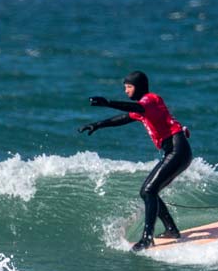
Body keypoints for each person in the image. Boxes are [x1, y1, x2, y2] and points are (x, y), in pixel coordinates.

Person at [78, 70, 192, 250]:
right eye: (125, 88)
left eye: (129, 87)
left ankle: (147, 239)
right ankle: (171, 230)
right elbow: (125, 118)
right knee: (148, 191)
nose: (126, 91)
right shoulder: (145, 108)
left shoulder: (150, 100)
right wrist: (98, 125)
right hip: (176, 151)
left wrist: (108, 103)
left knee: (148, 191)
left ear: (138, 87)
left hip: (178, 150)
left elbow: (136, 109)